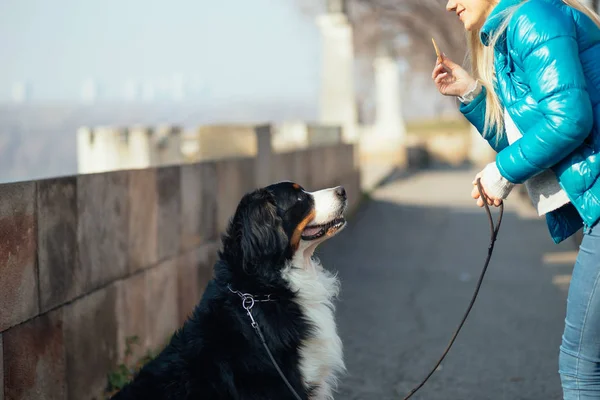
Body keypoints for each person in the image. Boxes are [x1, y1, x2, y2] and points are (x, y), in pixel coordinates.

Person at [432, 0, 600, 398]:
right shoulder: (510, 30)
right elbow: (527, 140)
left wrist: (501, 173)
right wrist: (471, 93)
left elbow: (570, 119)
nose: (449, 3)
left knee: (579, 367)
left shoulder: (532, 16)